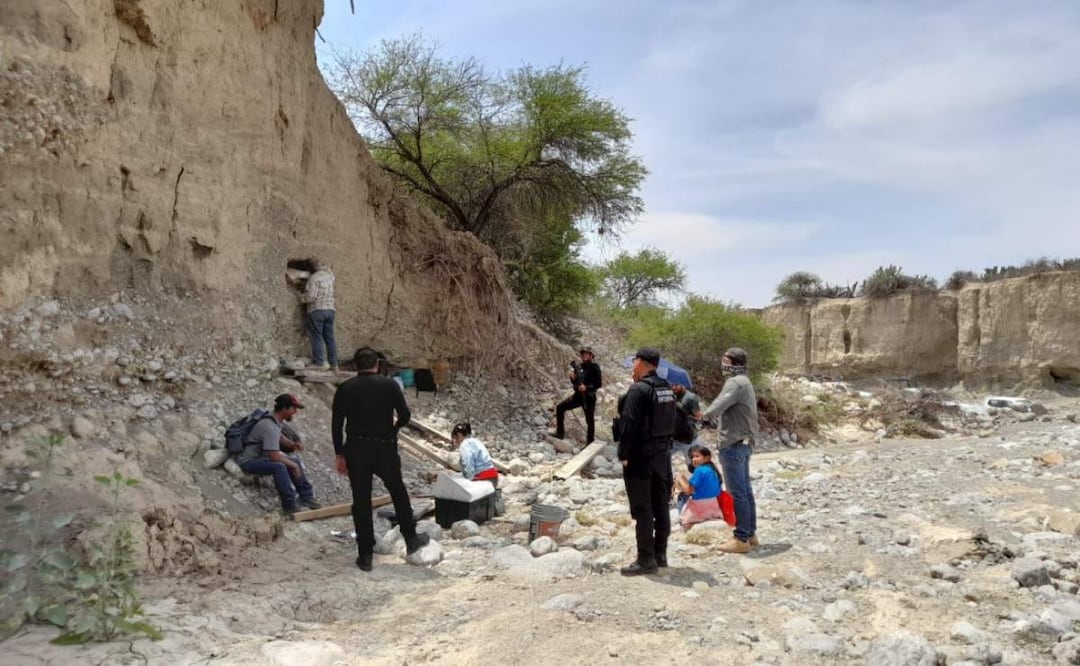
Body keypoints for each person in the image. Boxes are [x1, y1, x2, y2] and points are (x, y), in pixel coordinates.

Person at [332, 347, 429, 571]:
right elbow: (405, 415)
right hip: (385, 447)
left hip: (356, 448)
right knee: (398, 492)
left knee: (361, 500)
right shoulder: (389, 385)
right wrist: (393, 430)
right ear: (377, 364)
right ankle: (411, 539)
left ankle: (365, 554)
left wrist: (340, 453)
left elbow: (337, 425)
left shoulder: (345, 389)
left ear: (356, 366)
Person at [617, 347, 677, 576]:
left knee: (643, 508)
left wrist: (623, 454)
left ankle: (645, 559)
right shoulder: (667, 389)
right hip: (662, 456)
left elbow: (629, 426)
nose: (633, 365)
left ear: (641, 362)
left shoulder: (639, 390)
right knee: (661, 505)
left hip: (641, 457)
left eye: (634, 361)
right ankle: (660, 554)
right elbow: (676, 422)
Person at [701, 347, 759, 554]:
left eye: (725, 361)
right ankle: (750, 533)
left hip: (733, 442)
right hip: (744, 441)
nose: (722, 364)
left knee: (737, 493)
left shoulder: (735, 383)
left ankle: (741, 538)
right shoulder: (745, 381)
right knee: (745, 491)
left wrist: (705, 417)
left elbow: (720, 403)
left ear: (734, 363)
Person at [236, 394, 320, 514]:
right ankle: (289, 505)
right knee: (280, 466)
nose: (295, 412)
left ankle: (307, 497)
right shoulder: (270, 426)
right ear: (285, 409)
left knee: (293, 461)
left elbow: (279, 436)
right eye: (293, 408)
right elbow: (274, 456)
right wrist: (293, 466)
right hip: (249, 461)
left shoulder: (273, 420)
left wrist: (292, 445)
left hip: (261, 458)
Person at [452, 422, 503, 516]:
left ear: (459, 435)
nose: (455, 441)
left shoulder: (464, 445)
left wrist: (466, 482)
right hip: (493, 477)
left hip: (483, 479)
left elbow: (468, 465)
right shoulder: (476, 441)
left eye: (455, 438)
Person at [295, 259, 338, 372]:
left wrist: (300, 297)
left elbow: (311, 297)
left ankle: (319, 362)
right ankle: (334, 363)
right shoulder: (330, 275)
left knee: (316, 336)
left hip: (317, 310)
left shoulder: (314, 278)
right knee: (330, 338)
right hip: (330, 310)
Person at [554, 346, 603, 443]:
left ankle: (590, 441)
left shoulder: (595, 367)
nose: (584, 356)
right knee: (560, 407)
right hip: (578, 396)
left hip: (589, 397)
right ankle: (560, 433)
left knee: (589, 420)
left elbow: (598, 384)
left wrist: (587, 387)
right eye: (583, 354)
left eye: (586, 354)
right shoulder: (579, 367)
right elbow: (575, 383)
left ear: (591, 355)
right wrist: (572, 378)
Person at [674, 445, 724, 529]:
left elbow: (688, 491)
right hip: (714, 504)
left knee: (681, 496)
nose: (694, 459)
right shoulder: (712, 469)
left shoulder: (700, 470)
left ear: (706, 458)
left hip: (701, 505)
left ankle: (685, 521)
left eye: (697, 456)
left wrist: (679, 477)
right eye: (692, 457)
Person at [671, 383, 703, 467]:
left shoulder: (691, 398)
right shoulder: (672, 396)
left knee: (695, 466)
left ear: (683, 384)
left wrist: (688, 418)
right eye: (672, 385)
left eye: (676, 385)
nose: (674, 387)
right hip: (674, 438)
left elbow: (698, 416)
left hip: (688, 439)